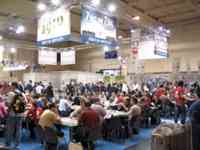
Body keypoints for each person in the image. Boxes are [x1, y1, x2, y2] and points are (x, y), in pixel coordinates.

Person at [5, 82, 25, 149]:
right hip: (20, 114)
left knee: (10, 129)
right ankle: (17, 144)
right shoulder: (21, 93)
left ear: (13, 86)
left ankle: (8, 143)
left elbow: (8, 104)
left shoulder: (11, 93)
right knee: (18, 129)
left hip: (12, 114)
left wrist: (6, 105)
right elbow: (25, 102)